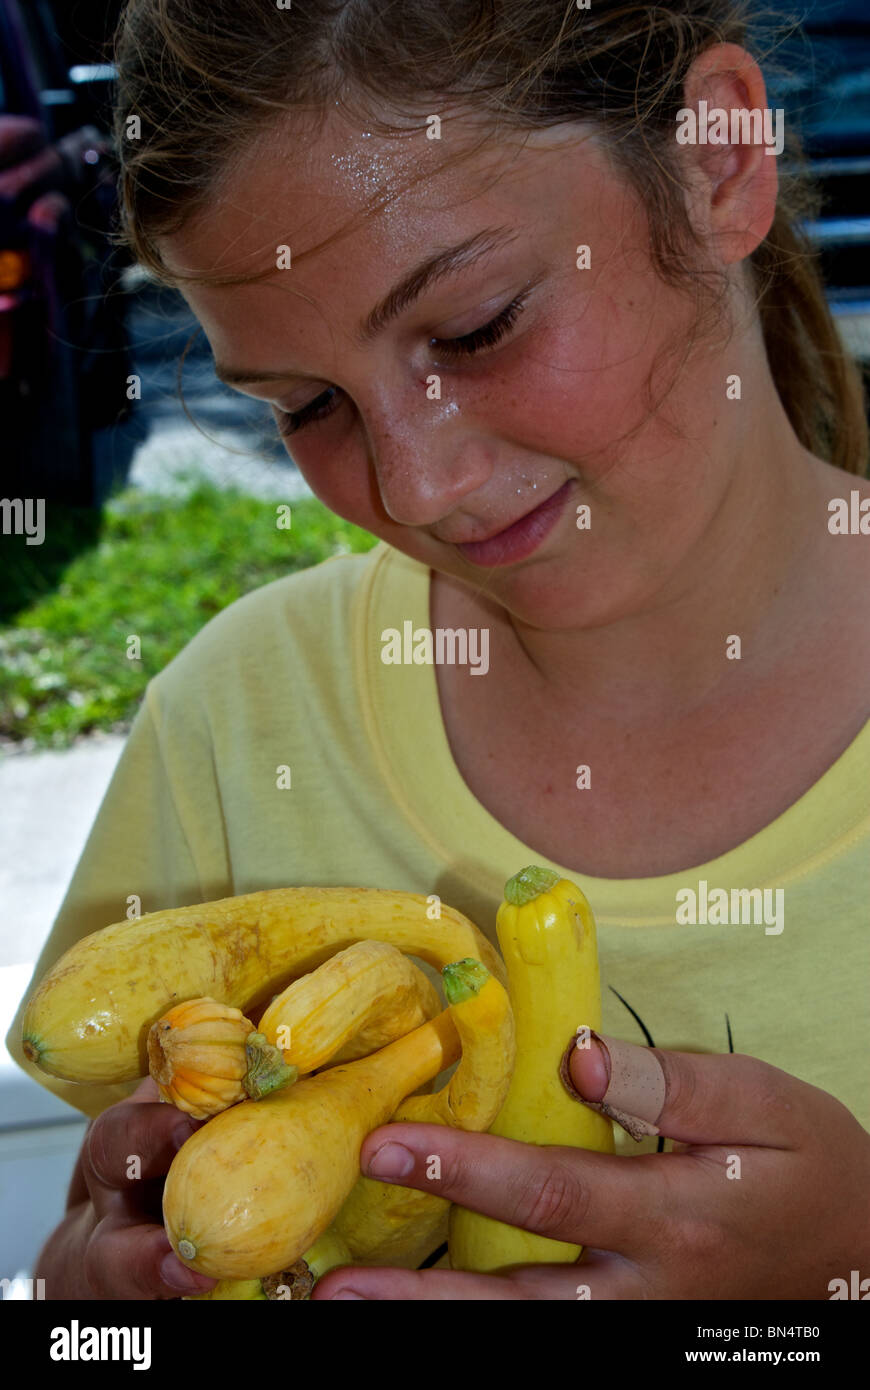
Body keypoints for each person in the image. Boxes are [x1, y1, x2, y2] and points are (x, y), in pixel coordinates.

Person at [6, 0, 870, 1301]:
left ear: (716, 159)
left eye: (475, 328)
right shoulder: (233, 728)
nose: (412, 487)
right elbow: (97, 1279)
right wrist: (91, 1308)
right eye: (305, 406)